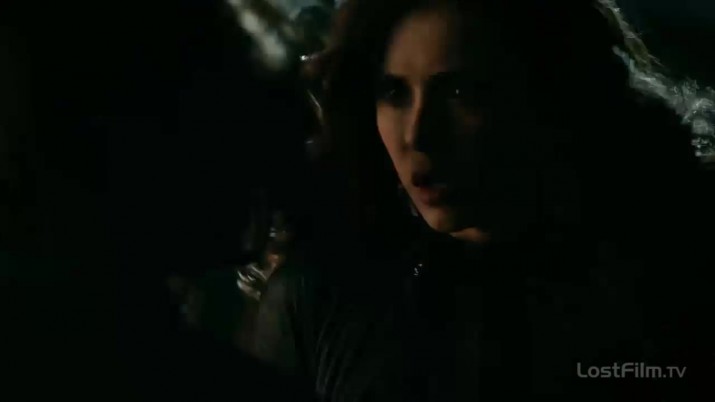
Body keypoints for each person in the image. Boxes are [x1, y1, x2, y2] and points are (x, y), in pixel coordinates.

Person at [248, 0, 715, 400]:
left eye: (458, 91)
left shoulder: (668, 275)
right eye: (394, 92)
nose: (418, 135)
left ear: (544, 90)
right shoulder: (323, 292)